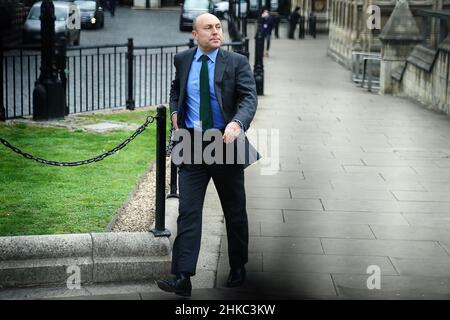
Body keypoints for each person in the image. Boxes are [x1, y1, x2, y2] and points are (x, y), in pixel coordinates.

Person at [156, 13, 258, 297]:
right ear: (195, 34)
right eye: (208, 28)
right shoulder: (183, 59)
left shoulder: (236, 62)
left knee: (234, 210)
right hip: (191, 144)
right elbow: (177, 88)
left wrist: (237, 123)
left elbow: (249, 97)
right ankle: (182, 277)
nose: (215, 32)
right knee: (188, 212)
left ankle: (238, 266)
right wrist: (175, 112)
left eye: (218, 27)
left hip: (224, 143)